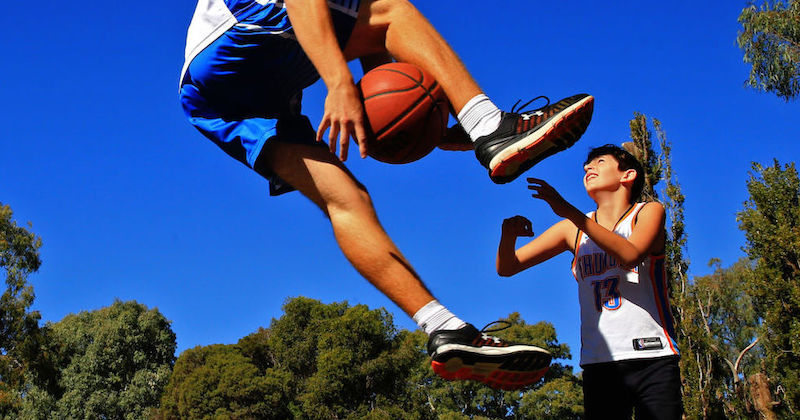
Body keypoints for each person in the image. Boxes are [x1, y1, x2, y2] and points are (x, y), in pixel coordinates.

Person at [179, 0, 593, 389]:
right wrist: (339, 82)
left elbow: (377, 66)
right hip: (242, 35)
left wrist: (426, 125)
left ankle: (444, 328)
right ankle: (489, 125)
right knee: (392, 11)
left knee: (347, 200)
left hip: (212, 96)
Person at [496, 144, 682, 417]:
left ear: (627, 175)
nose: (587, 167)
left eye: (600, 161)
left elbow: (629, 255)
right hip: (599, 362)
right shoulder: (571, 229)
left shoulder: (648, 212)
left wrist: (569, 211)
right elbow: (508, 267)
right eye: (587, 164)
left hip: (652, 356)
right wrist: (507, 235)